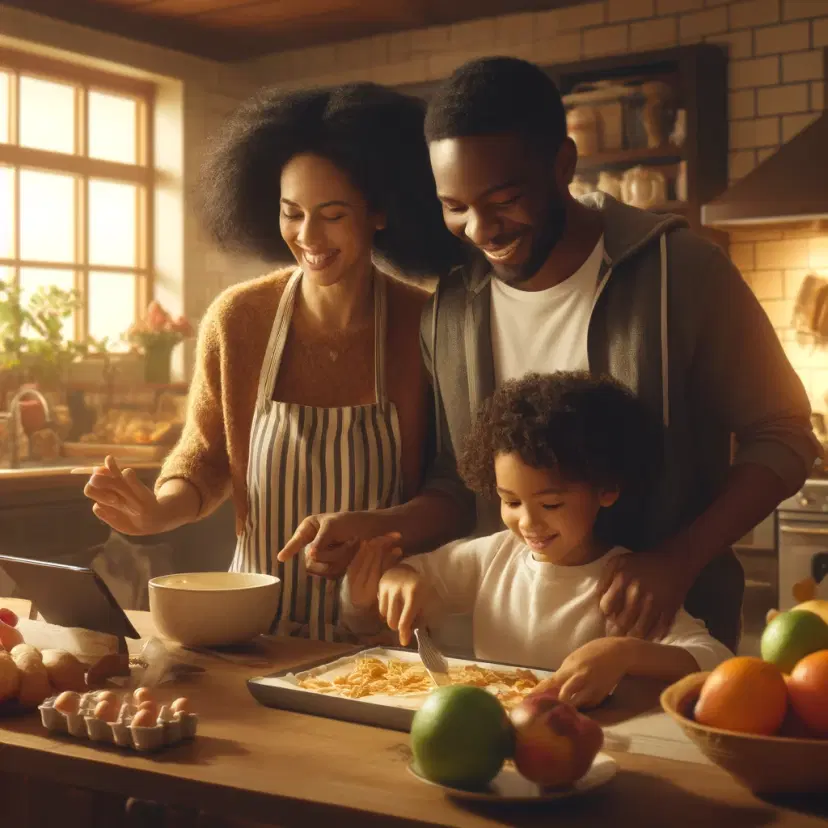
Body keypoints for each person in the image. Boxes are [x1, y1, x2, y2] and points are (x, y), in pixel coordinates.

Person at [411, 56, 821, 652]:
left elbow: (785, 433)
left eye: (504, 199)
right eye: (455, 206)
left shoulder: (682, 271)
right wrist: (383, 529)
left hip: (669, 646)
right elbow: (456, 479)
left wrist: (679, 557)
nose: (480, 230)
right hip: (509, 660)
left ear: (563, 164)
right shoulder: (449, 308)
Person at [79, 83, 469, 641]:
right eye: (293, 213)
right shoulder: (238, 319)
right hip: (248, 633)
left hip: (380, 636)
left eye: (332, 215)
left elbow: (453, 494)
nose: (308, 237)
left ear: (379, 212)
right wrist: (161, 510)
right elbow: (206, 455)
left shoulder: (428, 324)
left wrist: (376, 531)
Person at [360, 373, 733, 708]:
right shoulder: (493, 557)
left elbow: (714, 658)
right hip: (489, 735)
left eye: (551, 504)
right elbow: (416, 572)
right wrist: (400, 576)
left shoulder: (622, 583)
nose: (528, 523)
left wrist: (624, 653)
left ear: (606, 489)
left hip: (587, 745)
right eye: (511, 502)